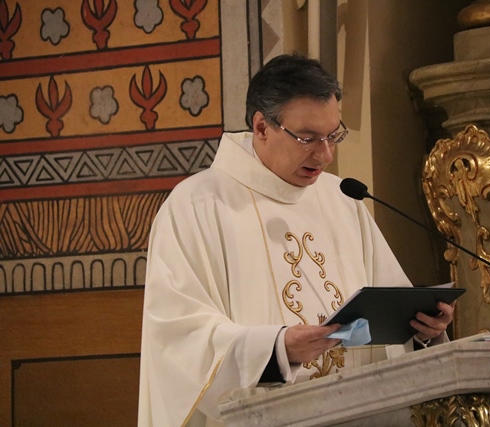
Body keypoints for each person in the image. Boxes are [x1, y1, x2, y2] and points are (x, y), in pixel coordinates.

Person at [137, 53, 455, 427]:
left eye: (333, 135)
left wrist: (422, 330)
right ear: (261, 127)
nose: (325, 154)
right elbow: (177, 335)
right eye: (308, 138)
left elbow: (387, 314)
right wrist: (276, 349)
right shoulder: (196, 206)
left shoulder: (341, 198)